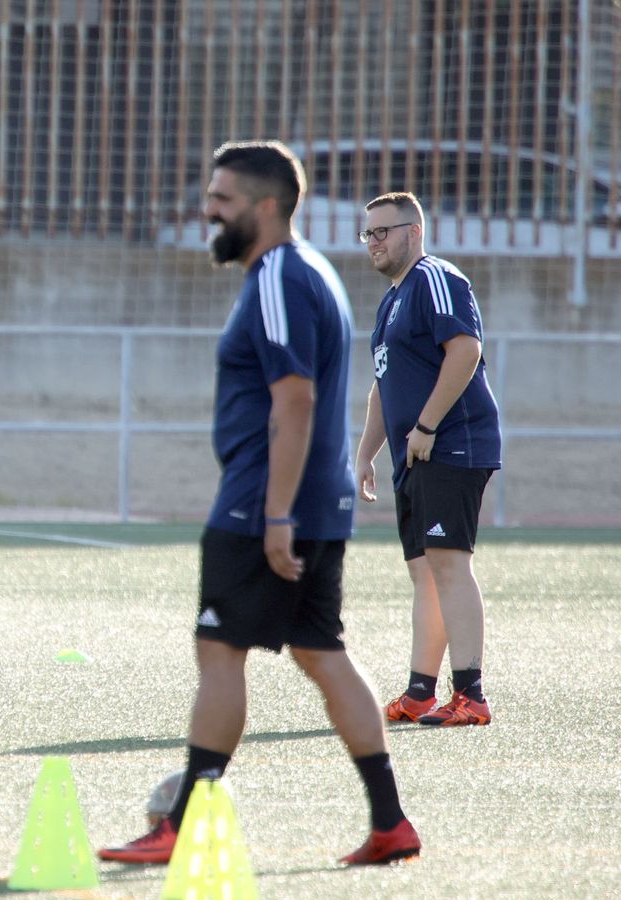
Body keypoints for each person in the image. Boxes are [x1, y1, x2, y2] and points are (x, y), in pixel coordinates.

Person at [98, 141, 421, 867]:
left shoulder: (279, 275)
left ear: (267, 206)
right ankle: (391, 822)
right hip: (315, 501)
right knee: (320, 651)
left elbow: (295, 400)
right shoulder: (309, 274)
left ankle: (180, 826)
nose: (209, 209)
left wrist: (275, 513)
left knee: (219, 649)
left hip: (263, 504)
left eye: (223, 199)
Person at [355, 191, 501, 727]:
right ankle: (421, 691)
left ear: (413, 231)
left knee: (448, 563)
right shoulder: (390, 300)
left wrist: (426, 426)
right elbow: (382, 384)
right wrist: (366, 452)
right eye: (367, 234)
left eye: (383, 231)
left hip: (450, 443)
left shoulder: (435, 278)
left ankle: (472, 694)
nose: (374, 242)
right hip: (414, 454)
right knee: (424, 573)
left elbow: (466, 350)